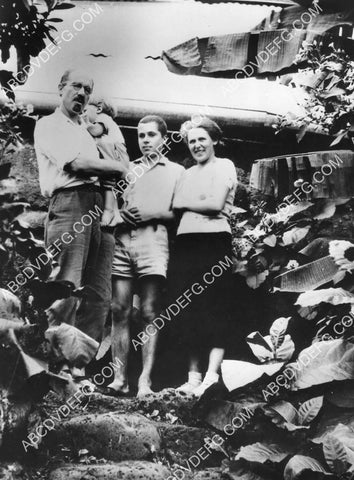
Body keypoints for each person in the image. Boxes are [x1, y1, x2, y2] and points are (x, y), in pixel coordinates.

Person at [34, 69, 128, 351]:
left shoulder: (86, 130)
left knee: (98, 293)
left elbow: (107, 161)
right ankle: (57, 366)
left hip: (98, 206)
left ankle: (79, 370)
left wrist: (110, 168)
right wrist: (119, 167)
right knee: (66, 285)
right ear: (61, 88)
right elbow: (76, 164)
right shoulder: (50, 124)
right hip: (70, 204)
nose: (82, 93)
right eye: (76, 86)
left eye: (87, 89)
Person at [109, 115, 184, 397]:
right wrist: (119, 216)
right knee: (119, 309)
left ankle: (145, 382)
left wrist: (152, 214)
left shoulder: (176, 171)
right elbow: (110, 208)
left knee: (150, 311)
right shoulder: (127, 169)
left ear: (164, 138)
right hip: (123, 240)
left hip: (154, 241)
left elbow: (180, 212)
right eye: (141, 136)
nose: (145, 141)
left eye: (151, 135)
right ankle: (119, 379)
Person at [171, 117, 237, 397]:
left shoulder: (224, 165)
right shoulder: (186, 173)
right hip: (186, 243)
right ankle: (193, 377)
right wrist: (194, 201)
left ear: (214, 140)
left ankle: (211, 375)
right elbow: (174, 207)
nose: (196, 145)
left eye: (201, 139)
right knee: (188, 309)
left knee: (215, 306)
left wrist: (187, 202)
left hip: (213, 242)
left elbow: (214, 204)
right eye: (191, 141)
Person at [84, 98, 129, 227]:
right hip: (119, 155)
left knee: (108, 182)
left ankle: (109, 210)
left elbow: (95, 131)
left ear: (98, 109)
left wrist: (83, 124)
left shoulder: (103, 119)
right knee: (111, 185)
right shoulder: (109, 123)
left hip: (116, 155)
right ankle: (115, 212)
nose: (83, 113)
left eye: (85, 110)